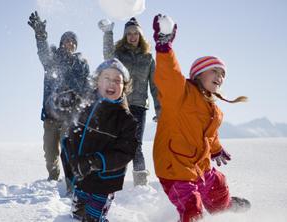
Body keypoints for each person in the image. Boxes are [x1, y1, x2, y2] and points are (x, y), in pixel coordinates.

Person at [152, 14, 250, 222]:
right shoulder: (180, 94)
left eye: (222, 74)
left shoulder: (213, 108)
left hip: (199, 165)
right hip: (175, 168)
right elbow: (169, 75)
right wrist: (164, 48)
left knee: (218, 183)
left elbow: (209, 134)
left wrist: (215, 149)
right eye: (214, 71)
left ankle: (223, 208)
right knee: (192, 207)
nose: (220, 77)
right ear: (198, 74)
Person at [61, 58, 138, 221]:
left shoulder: (126, 120)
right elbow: (69, 137)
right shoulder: (84, 107)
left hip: (104, 184)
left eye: (118, 80)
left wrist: (95, 162)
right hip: (81, 180)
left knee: (93, 219)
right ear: (97, 82)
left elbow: (125, 152)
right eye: (107, 78)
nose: (112, 83)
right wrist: (70, 161)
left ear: (124, 87)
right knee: (76, 216)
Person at [27, 11, 90, 185]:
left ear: (75, 45)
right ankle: (53, 179)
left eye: (72, 41)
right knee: (49, 152)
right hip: (50, 115)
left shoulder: (82, 64)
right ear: (61, 43)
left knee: (68, 150)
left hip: (69, 116)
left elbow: (86, 88)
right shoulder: (53, 60)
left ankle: (71, 182)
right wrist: (40, 35)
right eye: (66, 40)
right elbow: (43, 53)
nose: (69, 43)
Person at [98, 17, 160, 186]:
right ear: (125, 36)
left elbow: (155, 87)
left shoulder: (148, 58)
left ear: (140, 35)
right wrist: (108, 33)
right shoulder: (118, 55)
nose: (132, 36)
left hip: (139, 106)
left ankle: (141, 185)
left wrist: (159, 111)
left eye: (136, 33)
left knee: (136, 145)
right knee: (115, 142)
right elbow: (107, 55)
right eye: (129, 34)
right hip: (119, 105)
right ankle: (109, 182)